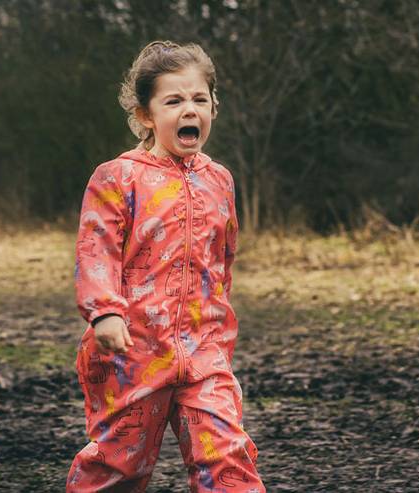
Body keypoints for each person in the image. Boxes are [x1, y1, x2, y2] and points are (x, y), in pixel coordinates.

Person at [66, 40, 266, 493]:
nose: (189, 109)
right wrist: (105, 311)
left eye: (199, 99)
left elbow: (222, 262)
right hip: (132, 351)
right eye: (173, 101)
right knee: (119, 465)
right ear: (145, 115)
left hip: (204, 350)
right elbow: (96, 249)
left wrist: (219, 330)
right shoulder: (119, 177)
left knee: (226, 454)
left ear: (213, 107)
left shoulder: (219, 180)